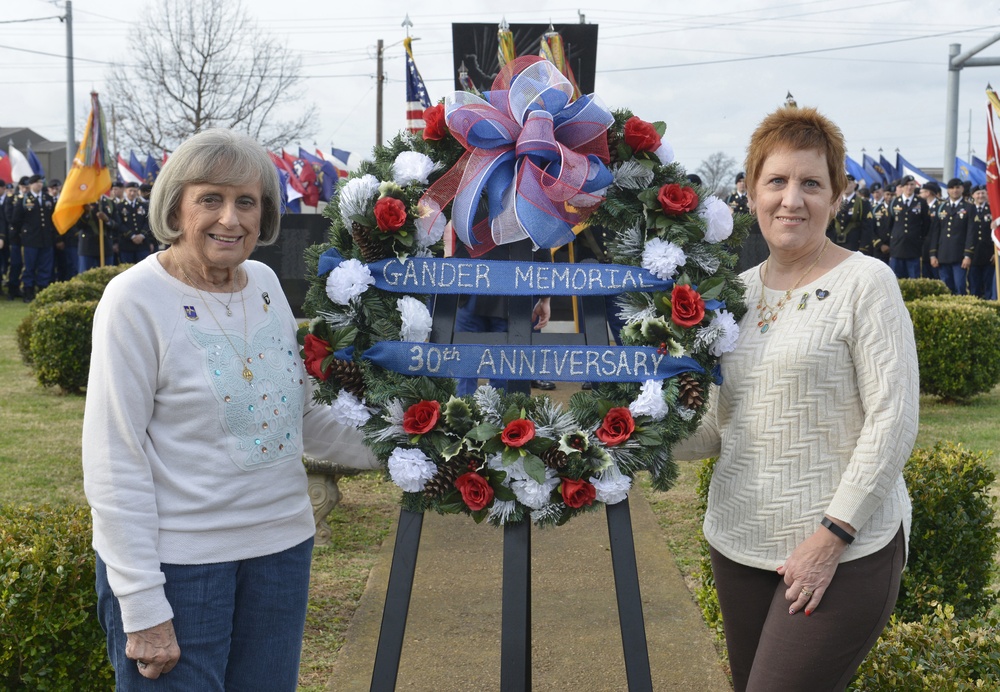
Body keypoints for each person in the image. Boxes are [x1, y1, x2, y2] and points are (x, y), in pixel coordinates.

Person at [82, 128, 380, 689]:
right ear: (176, 206)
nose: (231, 218)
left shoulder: (263, 283)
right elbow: (112, 459)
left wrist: (408, 447)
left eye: (246, 201)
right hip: (182, 568)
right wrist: (144, 605)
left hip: (281, 550)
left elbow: (297, 414)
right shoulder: (133, 301)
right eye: (210, 199)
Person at [673, 106, 917, 691]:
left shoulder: (867, 284)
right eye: (776, 181)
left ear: (836, 198)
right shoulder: (731, 295)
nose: (791, 199)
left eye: (811, 183)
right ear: (750, 192)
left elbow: (894, 418)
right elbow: (711, 428)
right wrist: (633, 424)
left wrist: (831, 535)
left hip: (842, 550)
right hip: (740, 542)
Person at [10, 173, 56, 301]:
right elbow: (16, 220)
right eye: (36, 183)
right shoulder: (24, 200)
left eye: (41, 182)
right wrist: (23, 234)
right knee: (29, 267)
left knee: (45, 267)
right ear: (30, 185)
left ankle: (43, 290)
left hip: (46, 239)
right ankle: (28, 291)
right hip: (30, 239)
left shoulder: (48, 198)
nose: (39, 185)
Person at [929, 178, 975, 294]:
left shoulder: (969, 207)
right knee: (946, 287)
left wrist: (968, 255)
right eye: (952, 188)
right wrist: (933, 254)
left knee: (960, 286)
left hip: (960, 255)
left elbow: (971, 232)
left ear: (962, 189)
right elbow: (935, 233)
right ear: (948, 190)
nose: (955, 190)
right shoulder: (941, 207)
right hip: (943, 254)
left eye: (957, 188)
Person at [888, 174, 929, 279]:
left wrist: (920, 239)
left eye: (912, 184)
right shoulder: (894, 202)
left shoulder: (921, 202)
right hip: (897, 246)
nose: (909, 187)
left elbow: (926, 224)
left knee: (913, 279)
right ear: (902, 187)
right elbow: (889, 224)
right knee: (895, 279)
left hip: (913, 247)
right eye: (906, 185)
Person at [967, 185, 996, 300]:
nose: (980, 196)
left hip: (989, 254)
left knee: (989, 284)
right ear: (973, 195)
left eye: (983, 193)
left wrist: (996, 252)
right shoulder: (968, 210)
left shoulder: (992, 210)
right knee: (974, 285)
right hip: (973, 254)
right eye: (978, 193)